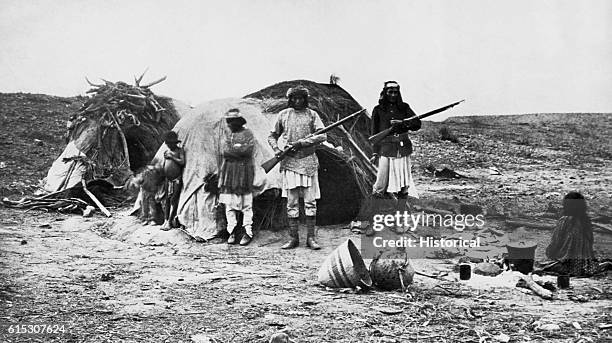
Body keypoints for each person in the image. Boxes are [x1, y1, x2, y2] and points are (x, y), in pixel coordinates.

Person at [268, 86, 327, 250]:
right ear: (290, 99)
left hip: (308, 162)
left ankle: (311, 238)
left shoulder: (312, 115)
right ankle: (293, 238)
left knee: (310, 202)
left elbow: (323, 135)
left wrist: (304, 143)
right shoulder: (283, 115)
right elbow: (272, 135)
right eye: (295, 98)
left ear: (305, 99)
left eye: (301, 98)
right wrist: (277, 150)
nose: (298, 101)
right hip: (290, 163)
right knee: (292, 203)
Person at [370, 81, 421, 198]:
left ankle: (401, 214)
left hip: (403, 150)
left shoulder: (404, 108)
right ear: (385, 93)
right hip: (386, 149)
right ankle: (375, 213)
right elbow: (374, 134)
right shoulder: (378, 110)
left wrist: (403, 123)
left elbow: (417, 124)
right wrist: (375, 152)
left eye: (395, 92)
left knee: (404, 185)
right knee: (380, 185)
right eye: (390, 92)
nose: (393, 95)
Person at [218, 108, 256, 246]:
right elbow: (225, 151)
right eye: (229, 121)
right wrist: (238, 150)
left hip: (244, 172)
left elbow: (249, 150)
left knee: (246, 204)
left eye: (234, 121)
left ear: (239, 121)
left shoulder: (248, 133)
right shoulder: (228, 135)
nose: (231, 124)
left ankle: (247, 232)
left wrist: (236, 151)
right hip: (230, 173)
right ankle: (232, 231)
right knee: (230, 204)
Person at [545, 191, 596, 276]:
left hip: (569, 265)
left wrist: (550, 253)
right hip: (587, 265)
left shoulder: (565, 221)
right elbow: (591, 241)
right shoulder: (586, 220)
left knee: (542, 267)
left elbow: (556, 242)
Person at [159, 131, 185, 231]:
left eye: (171, 143)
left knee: (174, 199)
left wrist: (172, 157)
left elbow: (182, 162)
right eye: (167, 144)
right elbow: (164, 163)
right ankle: (165, 220)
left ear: (175, 143)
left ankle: (170, 221)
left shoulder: (179, 151)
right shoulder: (166, 151)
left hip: (176, 179)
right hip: (168, 179)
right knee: (167, 199)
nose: (169, 145)